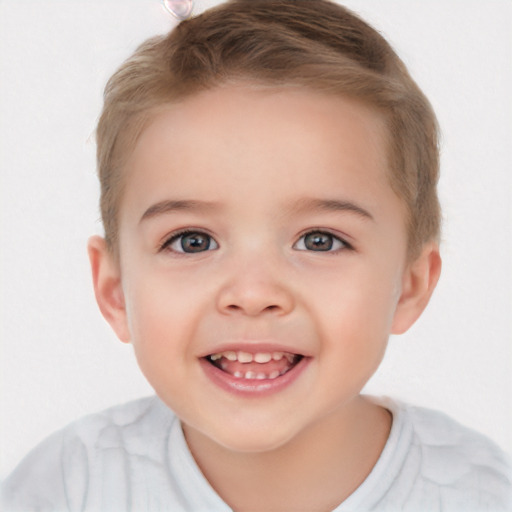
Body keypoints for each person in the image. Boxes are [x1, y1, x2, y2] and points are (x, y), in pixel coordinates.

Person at [2, 0, 511, 510]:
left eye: (320, 240)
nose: (252, 293)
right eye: (192, 241)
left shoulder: (481, 496)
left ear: (410, 284)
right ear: (114, 291)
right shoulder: (67, 489)